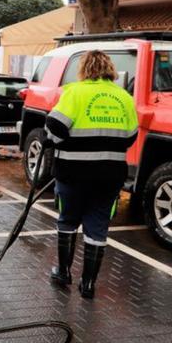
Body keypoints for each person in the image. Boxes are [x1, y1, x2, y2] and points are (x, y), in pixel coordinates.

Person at [45, 51, 137, 299]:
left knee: (68, 220)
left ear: (84, 68)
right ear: (110, 68)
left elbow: (55, 127)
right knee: (97, 227)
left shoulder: (75, 92)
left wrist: (55, 140)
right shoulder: (124, 98)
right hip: (109, 175)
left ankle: (63, 272)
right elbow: (131, 137)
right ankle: (88, 284)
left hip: (73, 173)